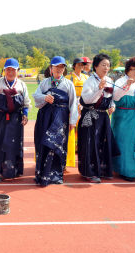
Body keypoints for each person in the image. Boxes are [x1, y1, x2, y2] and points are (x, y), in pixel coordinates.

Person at [0, 58, 31, 182]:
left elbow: (26, 102)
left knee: (13, 145)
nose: (10, 72)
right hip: (0, 118)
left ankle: (13, 170)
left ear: (17, 71)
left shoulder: (21, 85)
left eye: (13, 70)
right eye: (8, 70)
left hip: (15, 119)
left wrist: (25, 114)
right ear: (4, 71)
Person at [33, 56, 78, 186]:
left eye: (62, 67)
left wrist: (72, 121)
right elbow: (36, 97)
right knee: (44, 144)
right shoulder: (45, 82)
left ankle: (56, 175)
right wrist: (44, 97)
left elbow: (73, 103)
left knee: (58, 145)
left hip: (61, 119)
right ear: (50, 68)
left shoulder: (68, 84)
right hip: (45, 118)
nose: (59, 69)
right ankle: (42, 174)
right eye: (56, 66)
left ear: (64, 69)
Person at [78, 53, 120, 183]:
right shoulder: (89, 81)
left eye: (108, 65)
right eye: (103, 65)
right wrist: (99, 89)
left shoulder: (110, 80)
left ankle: (102, 170)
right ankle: (89, 172)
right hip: (90, 115)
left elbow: (111, 97)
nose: (106, 68)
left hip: (103, 116)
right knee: (90, 143)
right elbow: (87, 99)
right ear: (95, 66)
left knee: (103, 141)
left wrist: (112, 105)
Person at [65, 58, 90, 168]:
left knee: (83, 126)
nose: (81, 67)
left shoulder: (86, 78)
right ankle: (72, 149)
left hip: (84, 103)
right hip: (73, 103)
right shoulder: (69, 78)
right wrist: (75, 104)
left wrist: (83, 103)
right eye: (79, 65)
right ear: (74, 66)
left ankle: (80, 146)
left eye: (82, 65)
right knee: (72, 125)